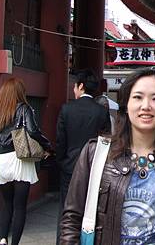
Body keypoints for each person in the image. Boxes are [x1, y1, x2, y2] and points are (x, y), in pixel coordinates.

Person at [59, 69, 155, 244]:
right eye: (137, 97)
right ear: (126, 105)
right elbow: (72, 217)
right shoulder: (96, 153)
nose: (146, 106)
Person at [0, 78, 51, 245]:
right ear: (19, 92)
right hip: (18, 158)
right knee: (20, 206)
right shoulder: (24, 109)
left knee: (6, 203)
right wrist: (47, 145)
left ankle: (2, 240)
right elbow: (33, 131)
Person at [56, 70, 111, 242]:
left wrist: (62, 162)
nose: (74, 89)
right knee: (92, 208)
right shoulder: (101, 112)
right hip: (95, 166)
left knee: (67, 209)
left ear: (80, 86)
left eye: (75, 86)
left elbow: (60, 141)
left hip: (70, 166)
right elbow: (106, 141)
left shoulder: (66, 109)